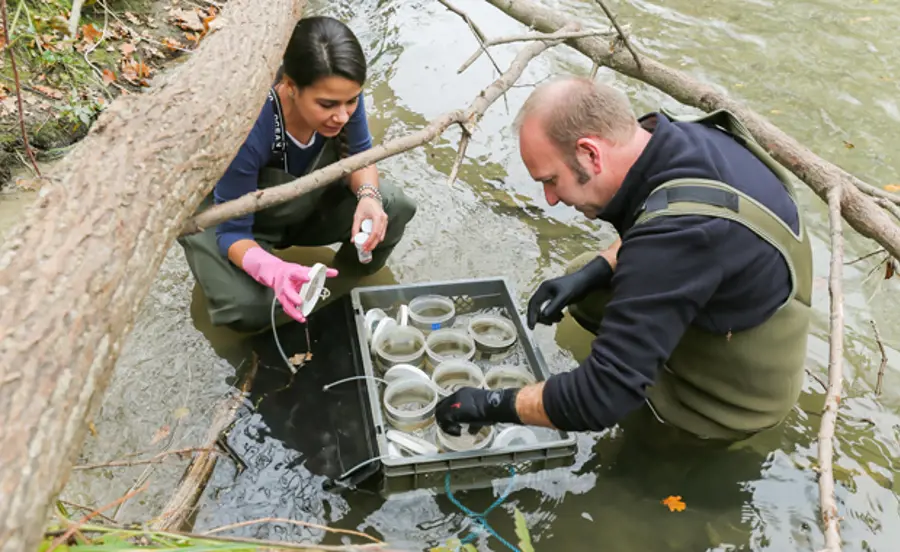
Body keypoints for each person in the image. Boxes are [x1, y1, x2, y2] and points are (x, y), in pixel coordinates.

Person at [435, 75, 812, 446]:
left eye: (551, 180)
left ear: (590, 153)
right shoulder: (668, 141)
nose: (550, 198)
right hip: (733, 294)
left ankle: (688, 425)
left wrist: (489, 403)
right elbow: (663, 218)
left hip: (743, 393)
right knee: (586, 279)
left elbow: (599, 398)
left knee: (643, 428)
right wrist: (596, 269)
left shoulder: (677, 240)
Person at [178, 16, 417, 333]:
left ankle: (338, 288)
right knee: (245, 309)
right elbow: (232, 233)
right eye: (327, 104)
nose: (342, 115)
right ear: (290, 86)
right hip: (232, 218)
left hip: (302, 204)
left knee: (394, 205)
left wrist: (369, 197)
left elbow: (360, 156)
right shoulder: (248, 127)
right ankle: (276, 303)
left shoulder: (342, 100)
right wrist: (272, 270)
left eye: (352, 101)